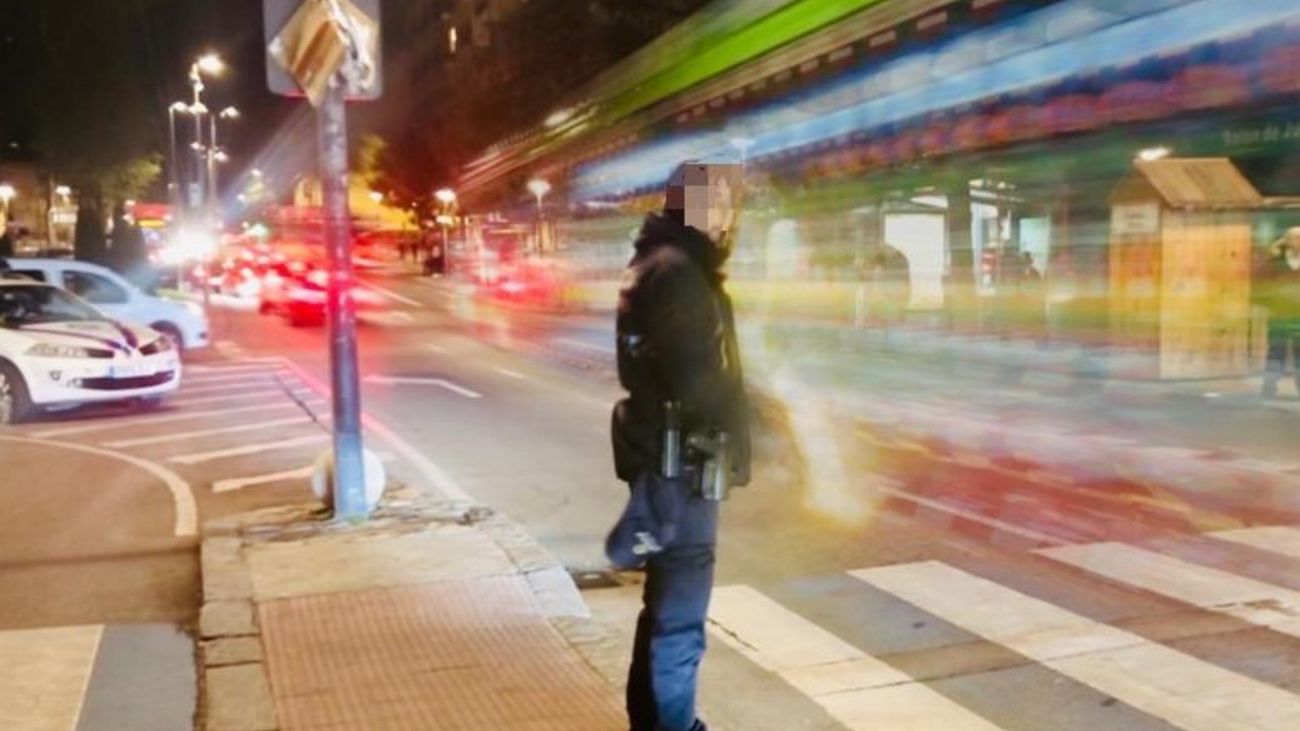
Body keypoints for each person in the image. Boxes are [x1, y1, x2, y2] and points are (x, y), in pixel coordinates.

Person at [608, 162, 751, 731]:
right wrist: (743, 420)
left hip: (664, 453)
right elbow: (697, 378)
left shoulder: (654, 261)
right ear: (701, 207)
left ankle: (651, 720)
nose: (729, 216)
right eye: (722, 203)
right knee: (681, 618)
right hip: (687, 460)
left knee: (663, 605)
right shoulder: (679, 272)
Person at [1259, 229, 1300, 398]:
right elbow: (1263, 278)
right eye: (1295, 238)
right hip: (1279, 314)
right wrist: (1272, 252)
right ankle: (1269, 388)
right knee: (1276, 351)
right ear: (1287, 241)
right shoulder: (1277, 260)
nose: (1298, 241)